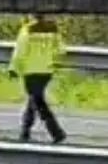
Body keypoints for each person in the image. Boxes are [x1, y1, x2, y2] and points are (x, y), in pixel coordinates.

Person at [7, 14, 67, 144]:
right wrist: (55, 62)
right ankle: (25, 131)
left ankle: (56, 132)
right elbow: (61, 50)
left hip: (30, 71)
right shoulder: (53, 29)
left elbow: (20, 51)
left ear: (32, 15)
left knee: (38, 102)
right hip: (46, 71)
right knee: (34, 100)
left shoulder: (27, 30)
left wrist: (14, 68)